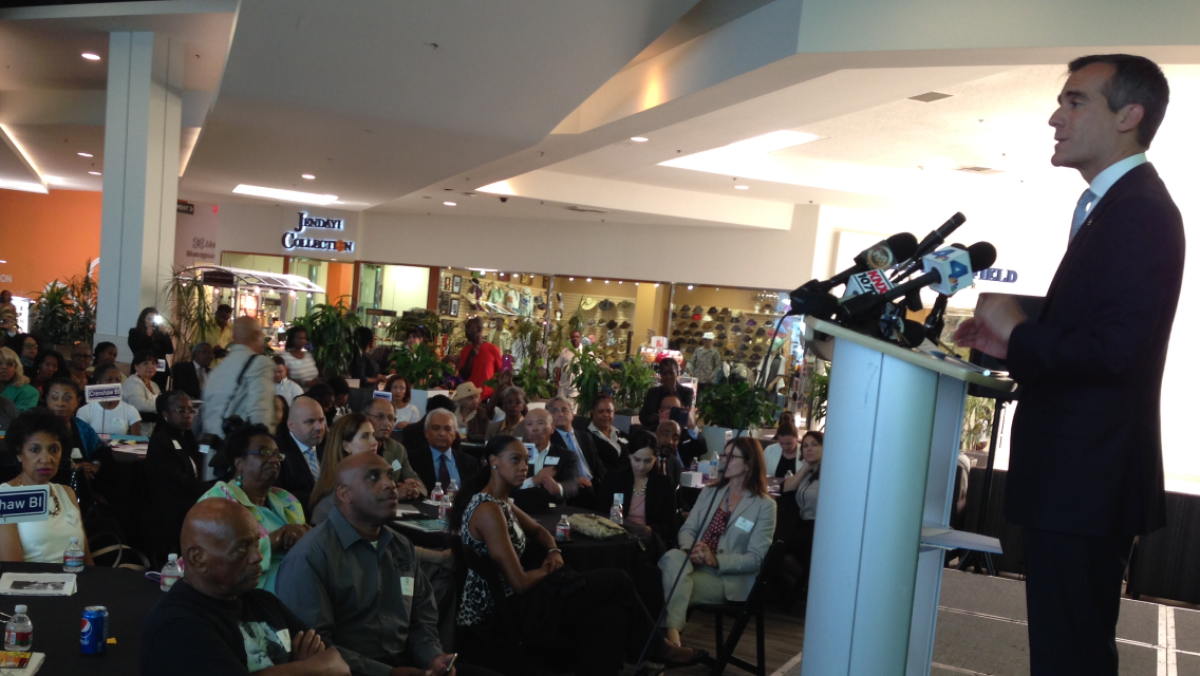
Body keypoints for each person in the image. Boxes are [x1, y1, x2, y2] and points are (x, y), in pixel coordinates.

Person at [952, 55, 1184, 676]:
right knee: (1066, 650)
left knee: (1071, 655)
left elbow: (1116, 354)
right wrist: (1011, 343)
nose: (1056, 116)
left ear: (1129, 116)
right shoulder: (1111, 205)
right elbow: (1098, 336)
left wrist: (1020, 331)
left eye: (1076, 101)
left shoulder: (1136, 210)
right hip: (1077, 476)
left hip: (1088, 476)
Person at [449, 435, 703, 675]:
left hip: (519, 597)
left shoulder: (501, 501)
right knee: (618, 580)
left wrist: (553, 549)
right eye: (515, 460)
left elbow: (538, 530)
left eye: (526, 460)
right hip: (508, 607)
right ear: (494, 461)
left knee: (612, 616)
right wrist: (551, 566)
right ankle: (657, 647)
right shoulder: (489, 510)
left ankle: (652, 648)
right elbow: (520, 582)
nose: (524, 467)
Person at [276, 453, 482, 676]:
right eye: (373, 477)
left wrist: (432, 658)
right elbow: (316, 647)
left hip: (406, 664)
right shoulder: (311, 555)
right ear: (345, 494)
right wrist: (388, 673)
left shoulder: (400, 545)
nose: (390, 485)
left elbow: (422, 620)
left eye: (390, 475)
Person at [140, 498, 350, 675]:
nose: (258, 556)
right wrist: (306, 668)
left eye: (256, 544)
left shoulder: (264, 601)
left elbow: (338, 665)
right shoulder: (176, 625)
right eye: (242, 548)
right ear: (198, 558)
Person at [658, 436, 777, 646]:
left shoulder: (764, 506)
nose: (724, 460)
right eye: (724, 455)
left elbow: (755, 559)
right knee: (674, 556)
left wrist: (715, 560)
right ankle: (671, 642)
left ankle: (664, 651)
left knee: (663, 587)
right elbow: (688, 529)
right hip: (690, 564)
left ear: (749, 463)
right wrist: (691, 548)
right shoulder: (710, 492)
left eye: (732, 457)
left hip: (726, 579)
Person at [201, 422, 310, 592]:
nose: (274, 459)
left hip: (299, 588)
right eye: (264, 452)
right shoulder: (219, 501)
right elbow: (219, 560)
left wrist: (304, 532)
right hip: (249, 596)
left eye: (276, 454)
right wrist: (278, 538)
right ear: (239, 463)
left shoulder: (286, 500)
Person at [0, 409, 94, 565]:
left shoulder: (67, 493)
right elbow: (12, 568)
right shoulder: (5, 496)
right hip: (30, 585)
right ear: (19, 453)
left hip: (77, 583)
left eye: (54, 450)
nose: (45, 459)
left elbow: (87, 561)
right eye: (35, 450)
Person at [144, 391, 205, 564]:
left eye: (190, 410)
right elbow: (178, 482)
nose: (188, 415)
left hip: (191, 503)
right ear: (165, 414)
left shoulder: (189, 438)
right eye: (181, 410)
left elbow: (199, 466)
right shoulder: (160, 441)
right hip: (170, 511)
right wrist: (209, 486)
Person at [597, 432, 679, 547]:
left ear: (656, 458)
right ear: (629, 456)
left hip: (648, 542)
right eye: (637, 460)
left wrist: (648, 529)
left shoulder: (664, 484)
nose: (642, 466)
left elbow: (670, 526)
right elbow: (600, 514)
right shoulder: (613, 479)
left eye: (648, 461)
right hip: (615, 540)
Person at [203, 317, 274, 437]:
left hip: (215, 450)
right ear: (256, 335)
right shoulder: (260, 364)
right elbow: (260, 413)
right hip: (241, 449)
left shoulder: (215, 372)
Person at [308, 413, 378, 524]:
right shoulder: (331, 502)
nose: (375, 442)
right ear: (346, 446)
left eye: (374, 435)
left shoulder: (373, 479)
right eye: (365, 436)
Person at [778, 431, 823, 590]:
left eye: (814, 445)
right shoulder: (807, 472)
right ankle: (805, 586)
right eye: (805, 446)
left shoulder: (830, 474)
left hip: (817, 529)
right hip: (801, 526)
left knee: (778, 548)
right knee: (775, 545)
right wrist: (806, 467)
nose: (809, 449)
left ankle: (811, 586)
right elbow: (786, 488)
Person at [509, 408, 578, 512]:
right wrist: (534, 481)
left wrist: (558, 488)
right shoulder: (513, 456)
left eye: (540, 423)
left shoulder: (567, 456)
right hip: (519, 510)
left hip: (553, 511)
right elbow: (505, 486)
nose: (535, 428)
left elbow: (572, 485)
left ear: (552, 428)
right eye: (529, 424)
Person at [44, 377, 111, 483]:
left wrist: (95, 465)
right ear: (47, 399)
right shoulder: (39, 428)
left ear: (77, 401)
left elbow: (102, 451)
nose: (60, 403)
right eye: (54, 398)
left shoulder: (83, 428)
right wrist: (74, 467)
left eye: (67, 399)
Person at [547, 395, 605, 507]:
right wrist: (574, 480)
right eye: (555, 411)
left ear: (573, 414)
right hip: (575, 489)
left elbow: (597, 465)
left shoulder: (586, 436)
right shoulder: (549, 440)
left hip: (595, 484)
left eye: (564, 409)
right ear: (550, 417)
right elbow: (553, 471)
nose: (560, 414)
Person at [363, 398, 427, 499]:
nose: (387, 423)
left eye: (391, 418)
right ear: (365, 418)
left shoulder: (398, 449)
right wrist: (394, 493)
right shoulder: (354, 445)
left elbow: (417, 483)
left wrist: (411, 489)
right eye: (380, 417)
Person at [275, 396, 326, 516]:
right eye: (310, 422)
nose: (319, 427)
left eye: (321, 420)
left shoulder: (329, 444)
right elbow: (278, 496)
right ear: (291, 425)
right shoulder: (276, 450)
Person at [407, 409, 479, 495]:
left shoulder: (470, 463)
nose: (442, 433)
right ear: (426, 433)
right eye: (436, 428)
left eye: (447, 429)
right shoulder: (411, 459)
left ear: (455, 435)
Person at [75, 363, 143, 436]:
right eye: (109, 380)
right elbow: (82, 440)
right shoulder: (84, 411)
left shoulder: (131, 411)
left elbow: (137, 442)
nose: (114, 383)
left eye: (118, 380)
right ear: (98, 384)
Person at [128, 306, 174, 390]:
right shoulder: (135, 332)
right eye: (149, 319)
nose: (152, 322)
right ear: (143, 320)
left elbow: (170, 350)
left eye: (154, 319)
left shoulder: (160, 334)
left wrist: (165, 334)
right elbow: (136, 349)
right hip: (143, 369)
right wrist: (147, 336)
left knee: (158, 393)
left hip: (160, 370)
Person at [656, 394, 707, 469]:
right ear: (660, 411)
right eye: (668, 408)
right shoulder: (651, 431)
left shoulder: (685, 434)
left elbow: (702, 449)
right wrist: (662, 427)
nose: (672, 412)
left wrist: (691, 426)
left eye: (676, 409)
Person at [638, 358, 693, 427]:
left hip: (676, 430)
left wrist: (673, 390)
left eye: (671, 373)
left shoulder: (686, 392)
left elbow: (685, 414)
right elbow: (642, 416)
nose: (668, 377)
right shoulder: (653, 392)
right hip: (654, 430)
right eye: (665, 374)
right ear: (661, 375)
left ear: (677, 373)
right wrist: (650, 419)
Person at [457, 317, 502, 400]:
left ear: (479, 329)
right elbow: (463, 375)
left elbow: (500, 374)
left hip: (488, 397)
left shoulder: (493, 349)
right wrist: (470, 357)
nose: (467, 332)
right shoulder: (465, 351)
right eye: (466, 328)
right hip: (470, 397)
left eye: (470, 328)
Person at [584, 393, 629, 471]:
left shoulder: (622, 434)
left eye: (609, 411)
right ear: (593, 412)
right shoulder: (586, 437)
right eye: (601, 411)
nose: (605, 415)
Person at [123, 349, 163, 430]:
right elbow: (139, 405)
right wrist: (165, 405)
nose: (150, 366)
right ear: (136, 366)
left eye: (153, 363)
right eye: (145, 363)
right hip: (136, 430)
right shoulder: (133, 382)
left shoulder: (154, 385)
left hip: (153, 429)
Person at [0, 346, 39, 412]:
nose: (4, 367)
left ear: (16, 367)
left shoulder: (29, 392)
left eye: (9, 364)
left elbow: (20, 420)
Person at [553, 329, 583, 398]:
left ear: (580, 338)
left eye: (577, 337)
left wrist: (610, 369)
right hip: (562, 386)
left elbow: (598, 361)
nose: (575, 338)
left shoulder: (584, 352)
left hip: (575, 389)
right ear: (570, 338)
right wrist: (557, 383)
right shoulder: (565, 351)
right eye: (573, 337)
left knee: (572, 407)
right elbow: (558, 368)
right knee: (560, 406)